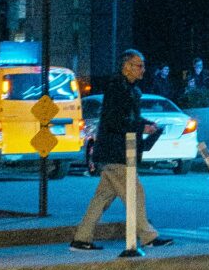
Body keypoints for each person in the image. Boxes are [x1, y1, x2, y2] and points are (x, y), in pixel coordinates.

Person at [70, 51, 170, 250]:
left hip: (114, 152)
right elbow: (115, 120)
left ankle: (81, 239)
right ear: (127, 67)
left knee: (102, 198)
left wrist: (147, 124)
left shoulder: (129, 89)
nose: (143, 69)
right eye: (139, 65)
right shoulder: (118, 89)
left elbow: (128, 118)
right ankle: (148, 236)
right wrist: (142, 127)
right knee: (135, 193)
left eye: (143, 65)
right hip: (116, 152)